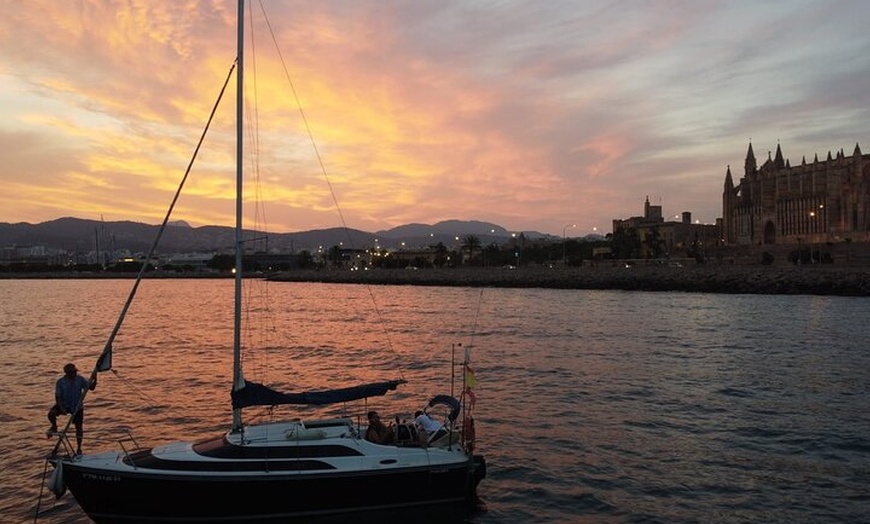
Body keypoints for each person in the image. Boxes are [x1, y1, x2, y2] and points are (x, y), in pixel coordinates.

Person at [48, 363, 96, 455]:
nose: (75, 373)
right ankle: (54, 426)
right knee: (51, 413)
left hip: (77, 406)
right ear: (67, 373)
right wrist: (61, 408)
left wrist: (95, 378)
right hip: (64, 404)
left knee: (79, 427)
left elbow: (91, 388)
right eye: (73, 372)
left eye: (75, 371)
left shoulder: (80, 379)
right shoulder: (60, 382)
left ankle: (79, 448)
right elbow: (57, 397)